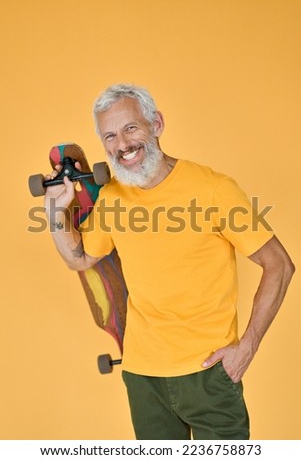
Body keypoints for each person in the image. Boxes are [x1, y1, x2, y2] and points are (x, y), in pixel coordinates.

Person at [44, 84, 295, 440]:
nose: (123, 145)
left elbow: (280, 265)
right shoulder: (113, 197)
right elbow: (81, 259)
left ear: (157, 124)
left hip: (209, 373)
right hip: (143, 375)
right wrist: (55, 209)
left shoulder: (214, 189)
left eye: (131, 128)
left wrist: (248, 346)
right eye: (110, 136)